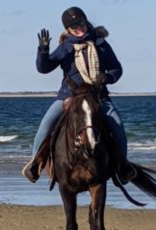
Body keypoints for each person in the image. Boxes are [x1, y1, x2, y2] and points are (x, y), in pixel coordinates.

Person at [22, 6, 136, 183]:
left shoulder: (101, 44)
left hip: (98, 97)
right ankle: (35, 164)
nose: (79, 28)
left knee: (118, 126)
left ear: (86, 21)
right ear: (68, 29)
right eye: (74, 27)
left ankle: (122, 165)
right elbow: (44, 68)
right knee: (45, 125)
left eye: (81, 23)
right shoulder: (65, 47)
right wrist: (43, 51)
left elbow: (117, 68)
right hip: (69, 96)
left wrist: (107, 76)